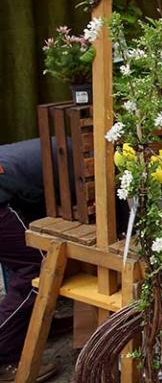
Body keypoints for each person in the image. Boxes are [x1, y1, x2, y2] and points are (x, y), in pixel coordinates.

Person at [0, 139, 58, 382]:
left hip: (7, 191)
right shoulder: (85, 161)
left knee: (22, 258)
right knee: (39, 267)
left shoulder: (65, 147)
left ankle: (35, 322)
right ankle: (5, 357)